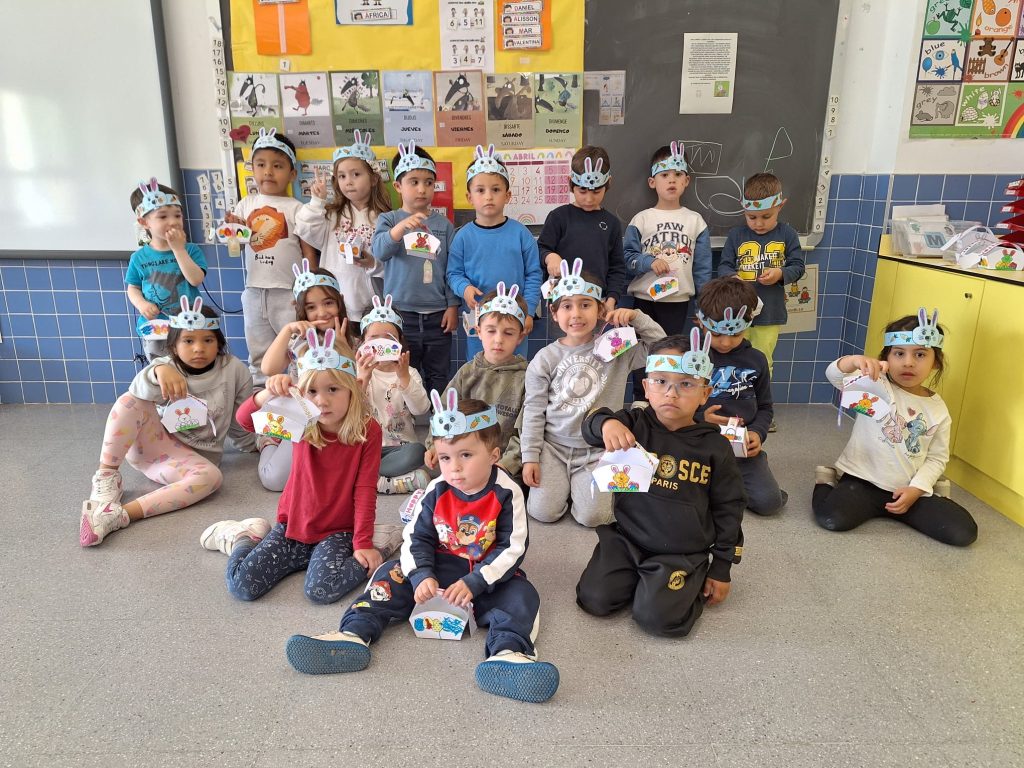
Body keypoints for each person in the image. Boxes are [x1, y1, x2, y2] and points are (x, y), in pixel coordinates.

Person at [284, 392, 560, 704]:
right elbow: (416, 538)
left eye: (466, 455)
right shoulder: (436, 489)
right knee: (388, 575)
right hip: (437, 569)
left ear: (494, 455)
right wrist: (421, 576)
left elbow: (513, 547)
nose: (454, 468)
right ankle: (353, 634)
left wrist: (476, 582)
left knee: (522, 595)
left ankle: (507, 655)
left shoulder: (507, 492)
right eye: (445, 458)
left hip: (485, 578)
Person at [204, 329, 396, 603]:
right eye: (312, 391)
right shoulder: (300, 420)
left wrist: (363, 543)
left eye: (333, 389)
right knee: (242, 586)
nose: (322, 401)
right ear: (301, 393)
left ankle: (382, 542)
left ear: (352, 387)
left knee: (321, 591)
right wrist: (267, 394)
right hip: (293, 527)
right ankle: (244, 537)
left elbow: (365, 488)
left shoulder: (368, 429)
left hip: (338, 531)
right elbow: (245, 421)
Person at [576, 331, 746, 637]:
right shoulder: (635, 423)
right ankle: (641, 578)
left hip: (680, 551)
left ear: (705, 393)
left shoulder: (715, 448)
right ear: (646, 387)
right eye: (661, 381)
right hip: (627, 540)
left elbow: (730, 508)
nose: (671, 393)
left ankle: (684, 577)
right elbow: (591, 423)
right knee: (594, 599)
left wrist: (722, 568)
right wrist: (607, 423)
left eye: (686, 384)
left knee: (657, 619)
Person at [80, 300, 252, 547]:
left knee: (213, 478)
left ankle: (118, 515)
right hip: (156, 449)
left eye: (208, 340)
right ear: (173, 346)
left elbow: (241, 418)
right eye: (188, 341)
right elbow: (137, 393)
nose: (198, 349)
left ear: (219, 343)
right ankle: (107, 477)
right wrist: (157, 369)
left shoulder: (234, 369)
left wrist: (260, 443)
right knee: (129, 401)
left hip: (195, 464)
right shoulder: (166, 367)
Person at [520, 258, 665, 527]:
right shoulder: (544, 359)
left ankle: (580, 488)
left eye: (585, 305)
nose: (576, 314)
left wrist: (637, 318)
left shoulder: (618, 348)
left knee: (594, 518)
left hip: (598, 450)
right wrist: (530, 457)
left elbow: (661, 349)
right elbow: (533, 411)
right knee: (543, 512)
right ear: (554, 313)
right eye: (567, 306)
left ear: (600, 309)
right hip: (553, 449)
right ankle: (566, 486)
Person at [813, 309, 977, 546]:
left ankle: (933, 488)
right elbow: (834, 375)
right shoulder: (874, 385)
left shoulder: (938, 409)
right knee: (832, 519)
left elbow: (937, 458)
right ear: (886, 358)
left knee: (963, 533)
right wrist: (854, 361)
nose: (908, 362)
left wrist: (917, 489)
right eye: (899, 353)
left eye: (920, 354)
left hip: (909, 490)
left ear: (935, 362)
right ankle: (826, 481)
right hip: (862, 482)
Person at [623, 142, 712, 401]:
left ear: (686, 181)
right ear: (653, 182)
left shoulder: (695, 221)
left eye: (677, 174)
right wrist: (648, 262)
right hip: (644, 300)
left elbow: (703, 269)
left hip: (677, 301)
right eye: (664, 175)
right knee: (641, 351)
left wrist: (703, 308)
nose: (671, 180)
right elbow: (627, 258)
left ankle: (664, 399)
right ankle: (641, 399)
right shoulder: (641, 219)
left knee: (670, 352)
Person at [228, 128, 317, 382]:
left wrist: (309, 292)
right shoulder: (245, 204)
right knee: (259, 355)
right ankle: (262, 397)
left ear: (292, 174)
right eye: (261, 164)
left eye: (277, 166)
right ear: (252, 169)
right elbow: (234, 246)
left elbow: (308, 251)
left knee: (298, 350)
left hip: (289, 294)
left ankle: (301, 394)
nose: (268, 171)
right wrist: (232, 230)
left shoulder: (297, 209)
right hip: (254, 292)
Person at [371, 141, 458, 395]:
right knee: (403, 372)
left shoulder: (444, 225)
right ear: (398, 186)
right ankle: (406, 416)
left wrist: (452, 305)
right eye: (414, 182)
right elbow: (380, 252)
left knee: (438, 373)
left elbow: (451, 267)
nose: (422, 189)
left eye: (429, 182)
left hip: (438, 315)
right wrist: (400, 229)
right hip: (401, 314)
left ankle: (439, 415)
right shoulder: (389, 220)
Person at [694, 277, 786, 516]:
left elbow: (765, 407)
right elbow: (671, 407)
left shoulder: (756, 360)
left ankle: (746, 475)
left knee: (769, 503)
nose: (726, 342)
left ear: (747, 325)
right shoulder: (690, 358)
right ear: (701, 322)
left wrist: (757, 433)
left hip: (740, 451)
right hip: (696, 447)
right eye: (716, 334)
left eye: (735, 334)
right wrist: (701, 418)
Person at [256, 261, 351, 491]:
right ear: (301, 310)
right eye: (311, 307)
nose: (322, 312)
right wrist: (287, 329)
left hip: (337, 419)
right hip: (301, 419)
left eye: (328, 303)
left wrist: (343, 348)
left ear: (339, 301)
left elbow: (356, 387)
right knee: (275, 480)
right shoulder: (297, 341)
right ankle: (269, 442)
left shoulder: (352, 338)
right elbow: (268, 368)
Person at [424, 282, 529, 484]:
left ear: (520, 336)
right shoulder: (467, 373)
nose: (498, 340)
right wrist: (434, 445)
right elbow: (443, 411)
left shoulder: (526, 378)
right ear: (479, 331)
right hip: (464, 462)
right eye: (491, 331)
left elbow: (526, 430)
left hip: (505, 467)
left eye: (508, 333)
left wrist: (508, 463)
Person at [446, 144, 541, 358]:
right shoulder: (462, 237)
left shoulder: (521, 234)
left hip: (515, 319)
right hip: (479, 320)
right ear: (469, 197)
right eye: (480, 190)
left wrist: (529, 310)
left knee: (515, 369)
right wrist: (465, 289)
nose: (488, 196)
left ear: (507, 196)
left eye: (495, 190)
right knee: (479, 368)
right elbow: (453, 273)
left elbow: (534, 274)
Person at [295, 130, 392, 321]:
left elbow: (393, 264)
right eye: (342, 176)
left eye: (356, 174)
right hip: (334, 306)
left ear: (373, 179)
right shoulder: (331, 215)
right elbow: (305, 229)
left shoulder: (385, 219)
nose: (348, 182)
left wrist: (372, 263)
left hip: (372, 307)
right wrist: (317, 201)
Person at [718, 173, 805, 379]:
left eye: (766, 217)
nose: (758, 223)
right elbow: (724, 266)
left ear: (780, 206)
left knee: (763, 360)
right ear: (744, 210)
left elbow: (798, 267)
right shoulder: (736, 235)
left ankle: (759, 397)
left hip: (769, 314)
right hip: (737, 313)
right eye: (752, 217)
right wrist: (732, 278)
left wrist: (780, 274)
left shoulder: (787, 234)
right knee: (733, 359)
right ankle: (735, 394)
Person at [354, 295, 432, 495]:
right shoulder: (355, 373)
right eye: (374, 339)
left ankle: (365, 479)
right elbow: (349, 413)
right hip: (364, 447)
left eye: (389, 339)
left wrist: (404, 378)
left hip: (400, 448)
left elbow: (421, 409)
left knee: (417, 451)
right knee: (342, 453)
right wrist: (363, 379)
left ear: (399, 342)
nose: (381, 345)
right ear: (362, 342)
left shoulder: (409, 373)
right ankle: (388, 482)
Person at [537, 145, 627, 312]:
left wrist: (611, 300)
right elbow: (541, 248)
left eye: (596, 191)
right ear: (570, 183)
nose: (589, 199)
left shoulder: (611, 223)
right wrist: (550, 257)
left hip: (598, 303)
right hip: (562, 303)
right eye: (582, 191)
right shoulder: (558, 217)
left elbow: (617, 267)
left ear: (608, 183)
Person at [126, 179, 207, 360]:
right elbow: (133, 288)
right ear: (144, 222)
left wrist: (179, 249)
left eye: (177, 215)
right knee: (161, 371)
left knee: (192, 368)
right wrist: (142, 304)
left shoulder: (191, 250)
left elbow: (195, 280)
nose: (173, 221)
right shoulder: (138, 258)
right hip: (156, 329)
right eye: (163, 217)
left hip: (190, 326)